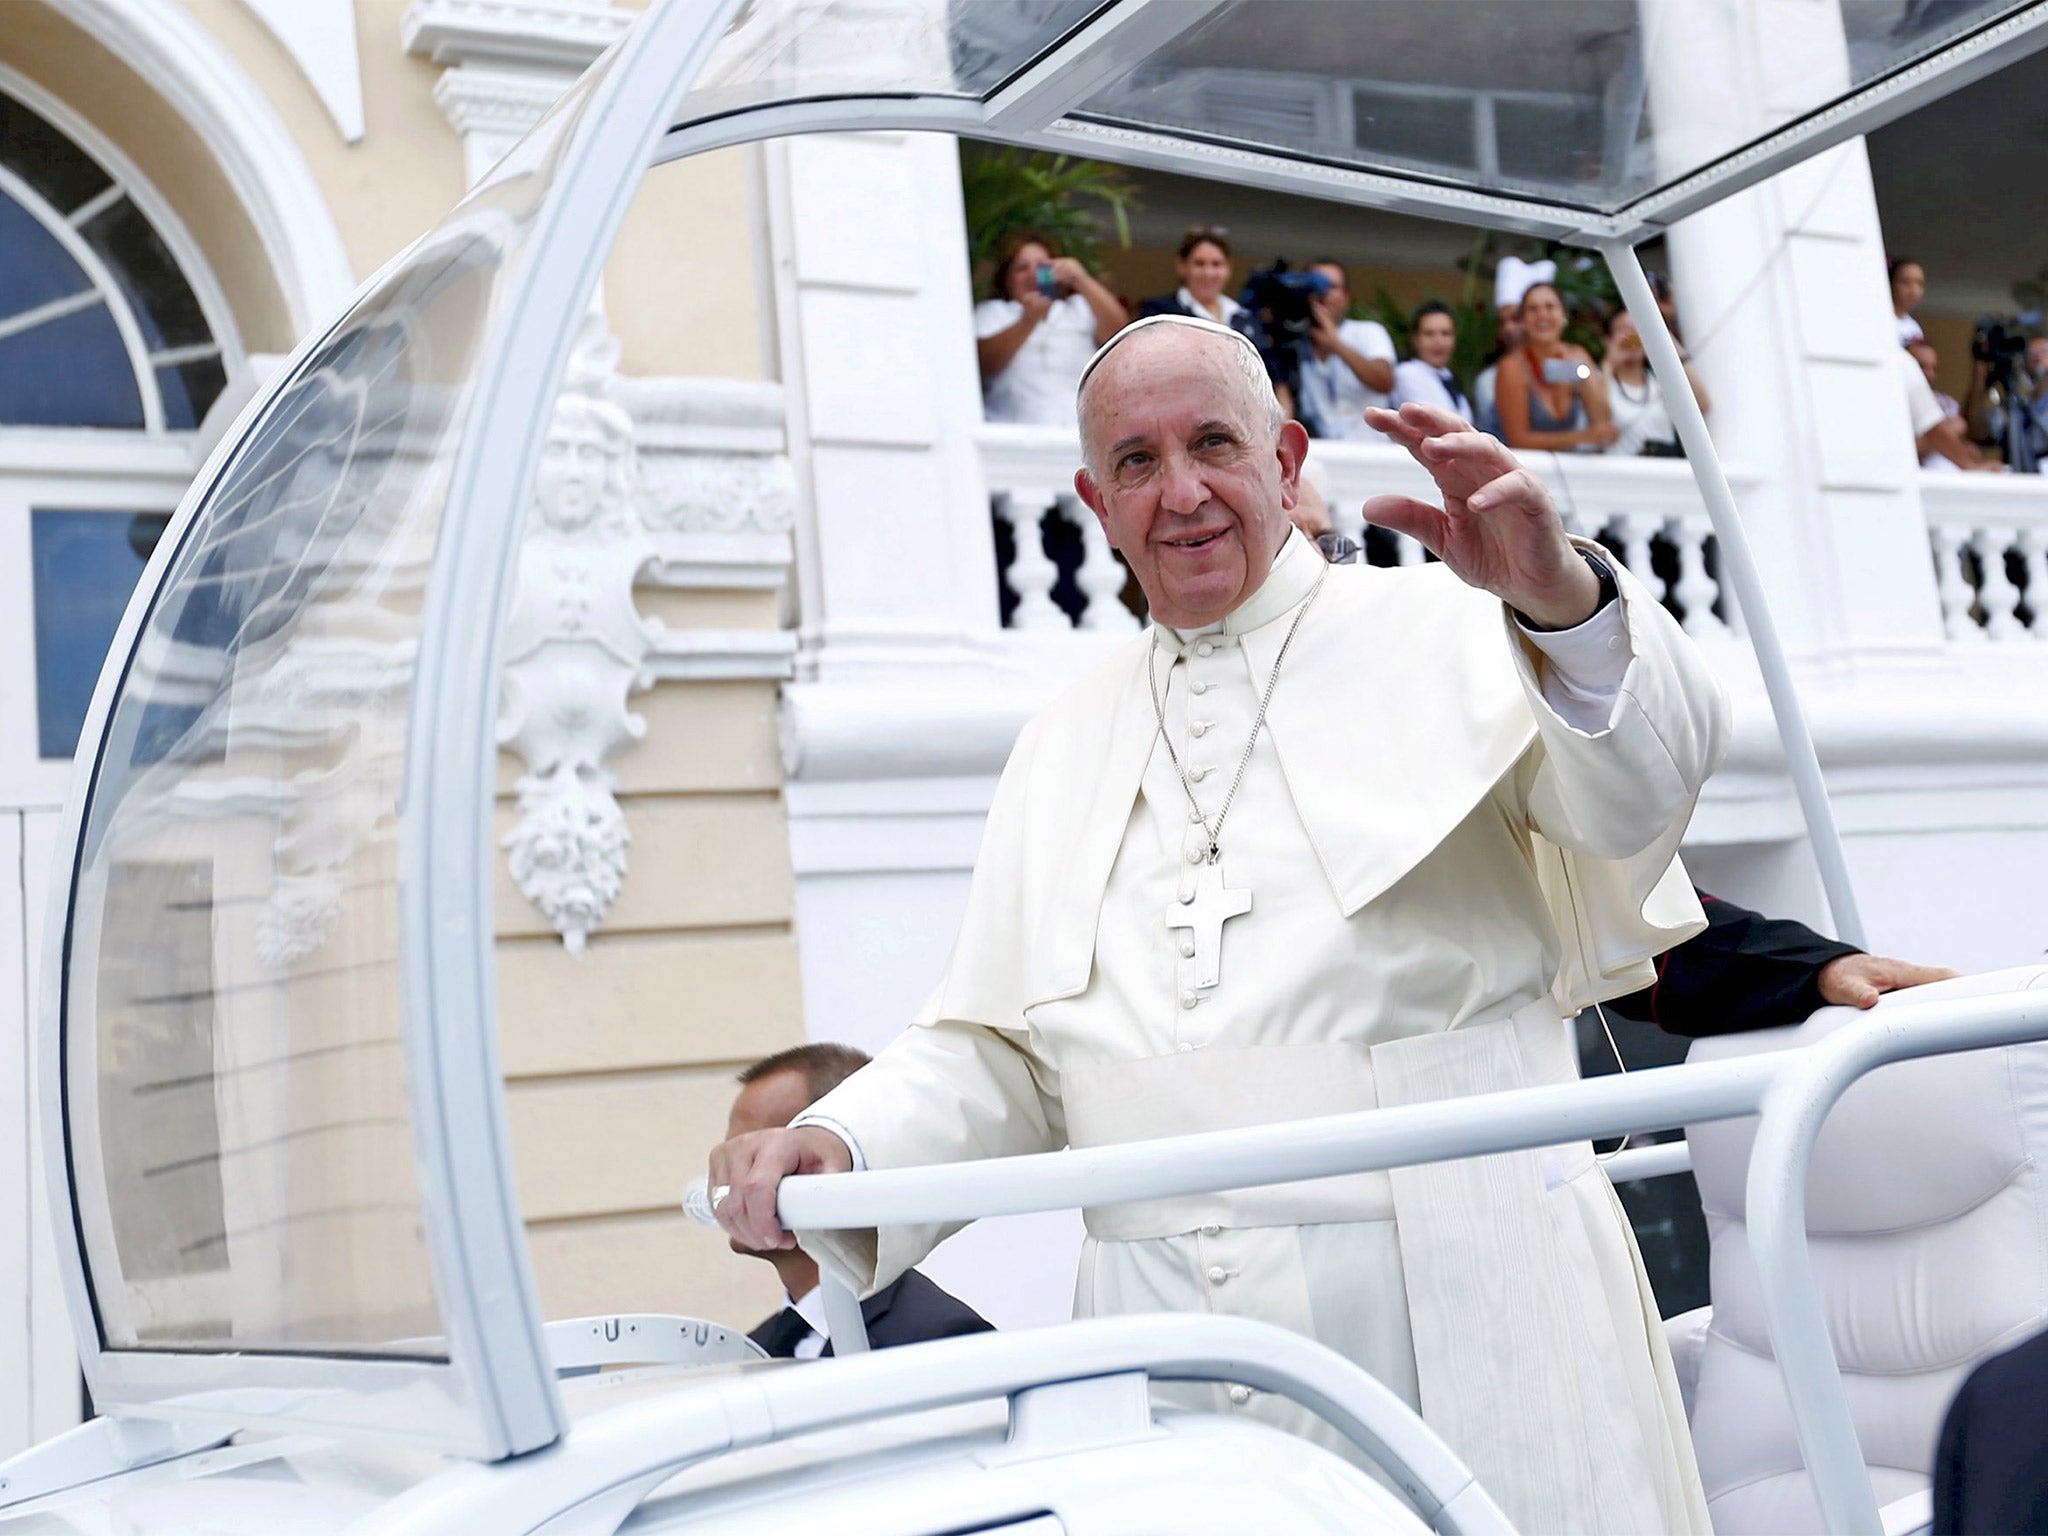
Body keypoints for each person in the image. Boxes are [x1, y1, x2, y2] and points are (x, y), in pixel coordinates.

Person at [710, 312, 1729, 1534]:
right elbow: (1003, 1052)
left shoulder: (1461, 624)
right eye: (1135, 461)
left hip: (1467, 1283)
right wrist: (845, 1147)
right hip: (1164, 1334)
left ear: (1287, 461)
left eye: (1212, 444)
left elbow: (1640, 792)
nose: (1179, 492)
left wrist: (1560, 600)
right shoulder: (1060, 741)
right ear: (1095, 500)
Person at [726, 1043, 993, 1359]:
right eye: (730, 1159)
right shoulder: (751, 1349)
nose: (733, 1180)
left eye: (756, 1156)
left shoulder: (942, 1339)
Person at [975, 229, 1128, 428]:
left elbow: (1120, 337)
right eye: (1022, 268)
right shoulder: (993, 312)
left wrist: (1081, 279)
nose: (1033, 275)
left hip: (1080, 435)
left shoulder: (1079, 309)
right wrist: (1027, 321)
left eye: (1042, 267)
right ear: (1007, 277)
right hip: (1013, 435)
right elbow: (984, 364)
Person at [1139, 227, 1292, 417]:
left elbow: (1277, 384)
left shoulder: (1246, 319)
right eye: (1199, 264)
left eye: (1216, 264)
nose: (1208, 273)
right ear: (1182, 266)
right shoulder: (1160, 312)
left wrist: (1280, 426)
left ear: (1228, 268)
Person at [1495, 280, 1617, 452]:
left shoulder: (1577, 355)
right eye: (1533, 309)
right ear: (1523, 320)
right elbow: (1518, 439)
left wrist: (1588, 376)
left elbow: (1603, 424)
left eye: (1550, 307)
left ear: (1564, 315)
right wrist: (1583, 436)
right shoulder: (1512, 367)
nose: (1542, 315)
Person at [1293, 259, 1396, 441]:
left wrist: (1336, 344)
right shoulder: (1292, 340)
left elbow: (1385, 382)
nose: (1323, 293)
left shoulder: (1368, 331)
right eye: (1314, 284)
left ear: (1346, 297)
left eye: (1332, 286)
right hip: (1320, 454)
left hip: (1370, 453)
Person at [1600, 307, 1711, 458]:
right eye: (1623, 329)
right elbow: (1599, 421)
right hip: (1620, 473)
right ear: (1608, 339)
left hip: (1661, 471)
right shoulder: (1600, 381)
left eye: (1639, 328)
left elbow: (1703, 405)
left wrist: (1664, 336)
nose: (1633, 335)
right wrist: (1609, 365)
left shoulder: (1659, 385)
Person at [1473, 255, 1550, 436]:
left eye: (1516, 319)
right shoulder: (1487, 380)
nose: (1508, 328)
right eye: (1502, 321)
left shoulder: (1574, 363)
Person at [1390, 301, 1470, 419]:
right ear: (1415, 339)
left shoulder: (1448, 377)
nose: (1438, 341)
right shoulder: (1407, 373)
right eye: (1429, 334)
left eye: (1446, 333)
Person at [1890, 255, 1927, 347]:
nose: (1913, 291)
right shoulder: (1880, 320)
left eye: (1920, 284)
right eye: (1905, 282)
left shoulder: (1914, 329)